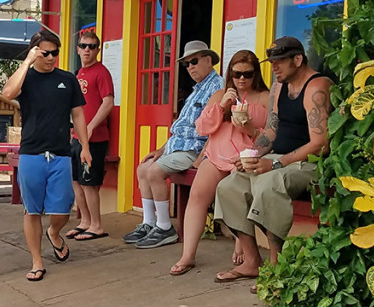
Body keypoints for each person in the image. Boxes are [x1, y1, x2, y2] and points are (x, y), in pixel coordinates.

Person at [213, 36, 332, 283]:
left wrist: (276, 163)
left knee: (268, 184)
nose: (273, 67)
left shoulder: (317, 86)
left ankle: (277, 267)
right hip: (279, 159)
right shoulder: (279, 87)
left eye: (279, 61)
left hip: (309, 163)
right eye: (272, 61)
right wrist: (251, 154)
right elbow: (272, 130)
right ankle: (252, 262)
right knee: (229, 186)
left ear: (297, 59)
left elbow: (321, 144)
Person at [167, 50, 269, 275]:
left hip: (245, 158)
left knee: (238, 195)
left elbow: (271, 135)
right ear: (229, 73)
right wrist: (222, 106)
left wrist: (250, 129)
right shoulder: (220, 94)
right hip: (216, 155)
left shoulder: (264, 97)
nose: (241, 79)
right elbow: (202, 127)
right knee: (197, 196)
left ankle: (241, 243)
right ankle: (188, 255)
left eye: (247, 74)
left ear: (256, 74)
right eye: (236, 74)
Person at [2, 30, 91, 282]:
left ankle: (54, 232)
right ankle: (37, 261)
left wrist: (85, 146)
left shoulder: (67, 79)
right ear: (35, 52)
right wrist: (27, 62)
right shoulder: (25, 77)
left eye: (55, 53)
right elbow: (8, 93)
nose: (51, 57)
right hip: (31, 153)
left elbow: (78, 115)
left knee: (61, 211)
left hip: (61, 153)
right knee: (32, 211)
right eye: (45, 53)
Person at [124, 39, 223, 250]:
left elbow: (212, 128)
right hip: (177, 147)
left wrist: (200, 158)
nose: (190, 68)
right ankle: (148, 223)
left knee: (153, 172)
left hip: (195, 150)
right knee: (143, 167)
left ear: (208, 60)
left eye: (194, 61)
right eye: (186, 64)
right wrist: (161, 149)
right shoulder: (197, 89)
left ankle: (164, 227)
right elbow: (180, 127)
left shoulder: (217, 88)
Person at [66, 30, 115, 242]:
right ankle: (84, 221)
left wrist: (92, 126)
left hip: (94, 139)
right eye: (84, 46)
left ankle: (97, 225)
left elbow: (108, 101)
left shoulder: (101, 72)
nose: (87, 50)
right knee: (76, 180)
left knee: (89, 182)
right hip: (77, 137)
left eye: (92, 46)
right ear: (78, 49)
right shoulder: (78, 74)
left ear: (98, 50)